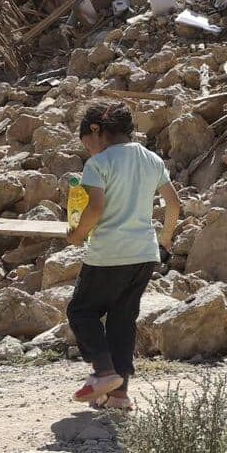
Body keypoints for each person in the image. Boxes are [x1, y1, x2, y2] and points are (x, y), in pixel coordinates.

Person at [65, 101, 180, 410]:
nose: (88, 150)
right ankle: (119, 395)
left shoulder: (99, 164)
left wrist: (77, 235)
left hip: (108, 253)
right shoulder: (152, 159)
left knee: (82, 312)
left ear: (96, 131)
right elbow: (174, 204)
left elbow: (96, 208)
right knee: (122, 320)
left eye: (86, 143)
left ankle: (103, 372)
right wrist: (165, 241)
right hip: (144, 254)